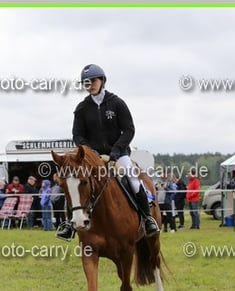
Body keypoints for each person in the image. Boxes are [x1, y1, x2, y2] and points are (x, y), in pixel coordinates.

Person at [56, 63, 159, 240]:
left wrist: (116, 150)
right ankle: (69, 225)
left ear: (102, 81)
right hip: (93, 157)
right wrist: (90, 152)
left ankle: (147, 218)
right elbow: (78, 135)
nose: (90, 85)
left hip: (118, 155)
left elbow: (129, 130)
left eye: (93, 81)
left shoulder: (117, 103)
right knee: (74, 182)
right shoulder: (82, 108)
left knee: (134, 180)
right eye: (86, 83)